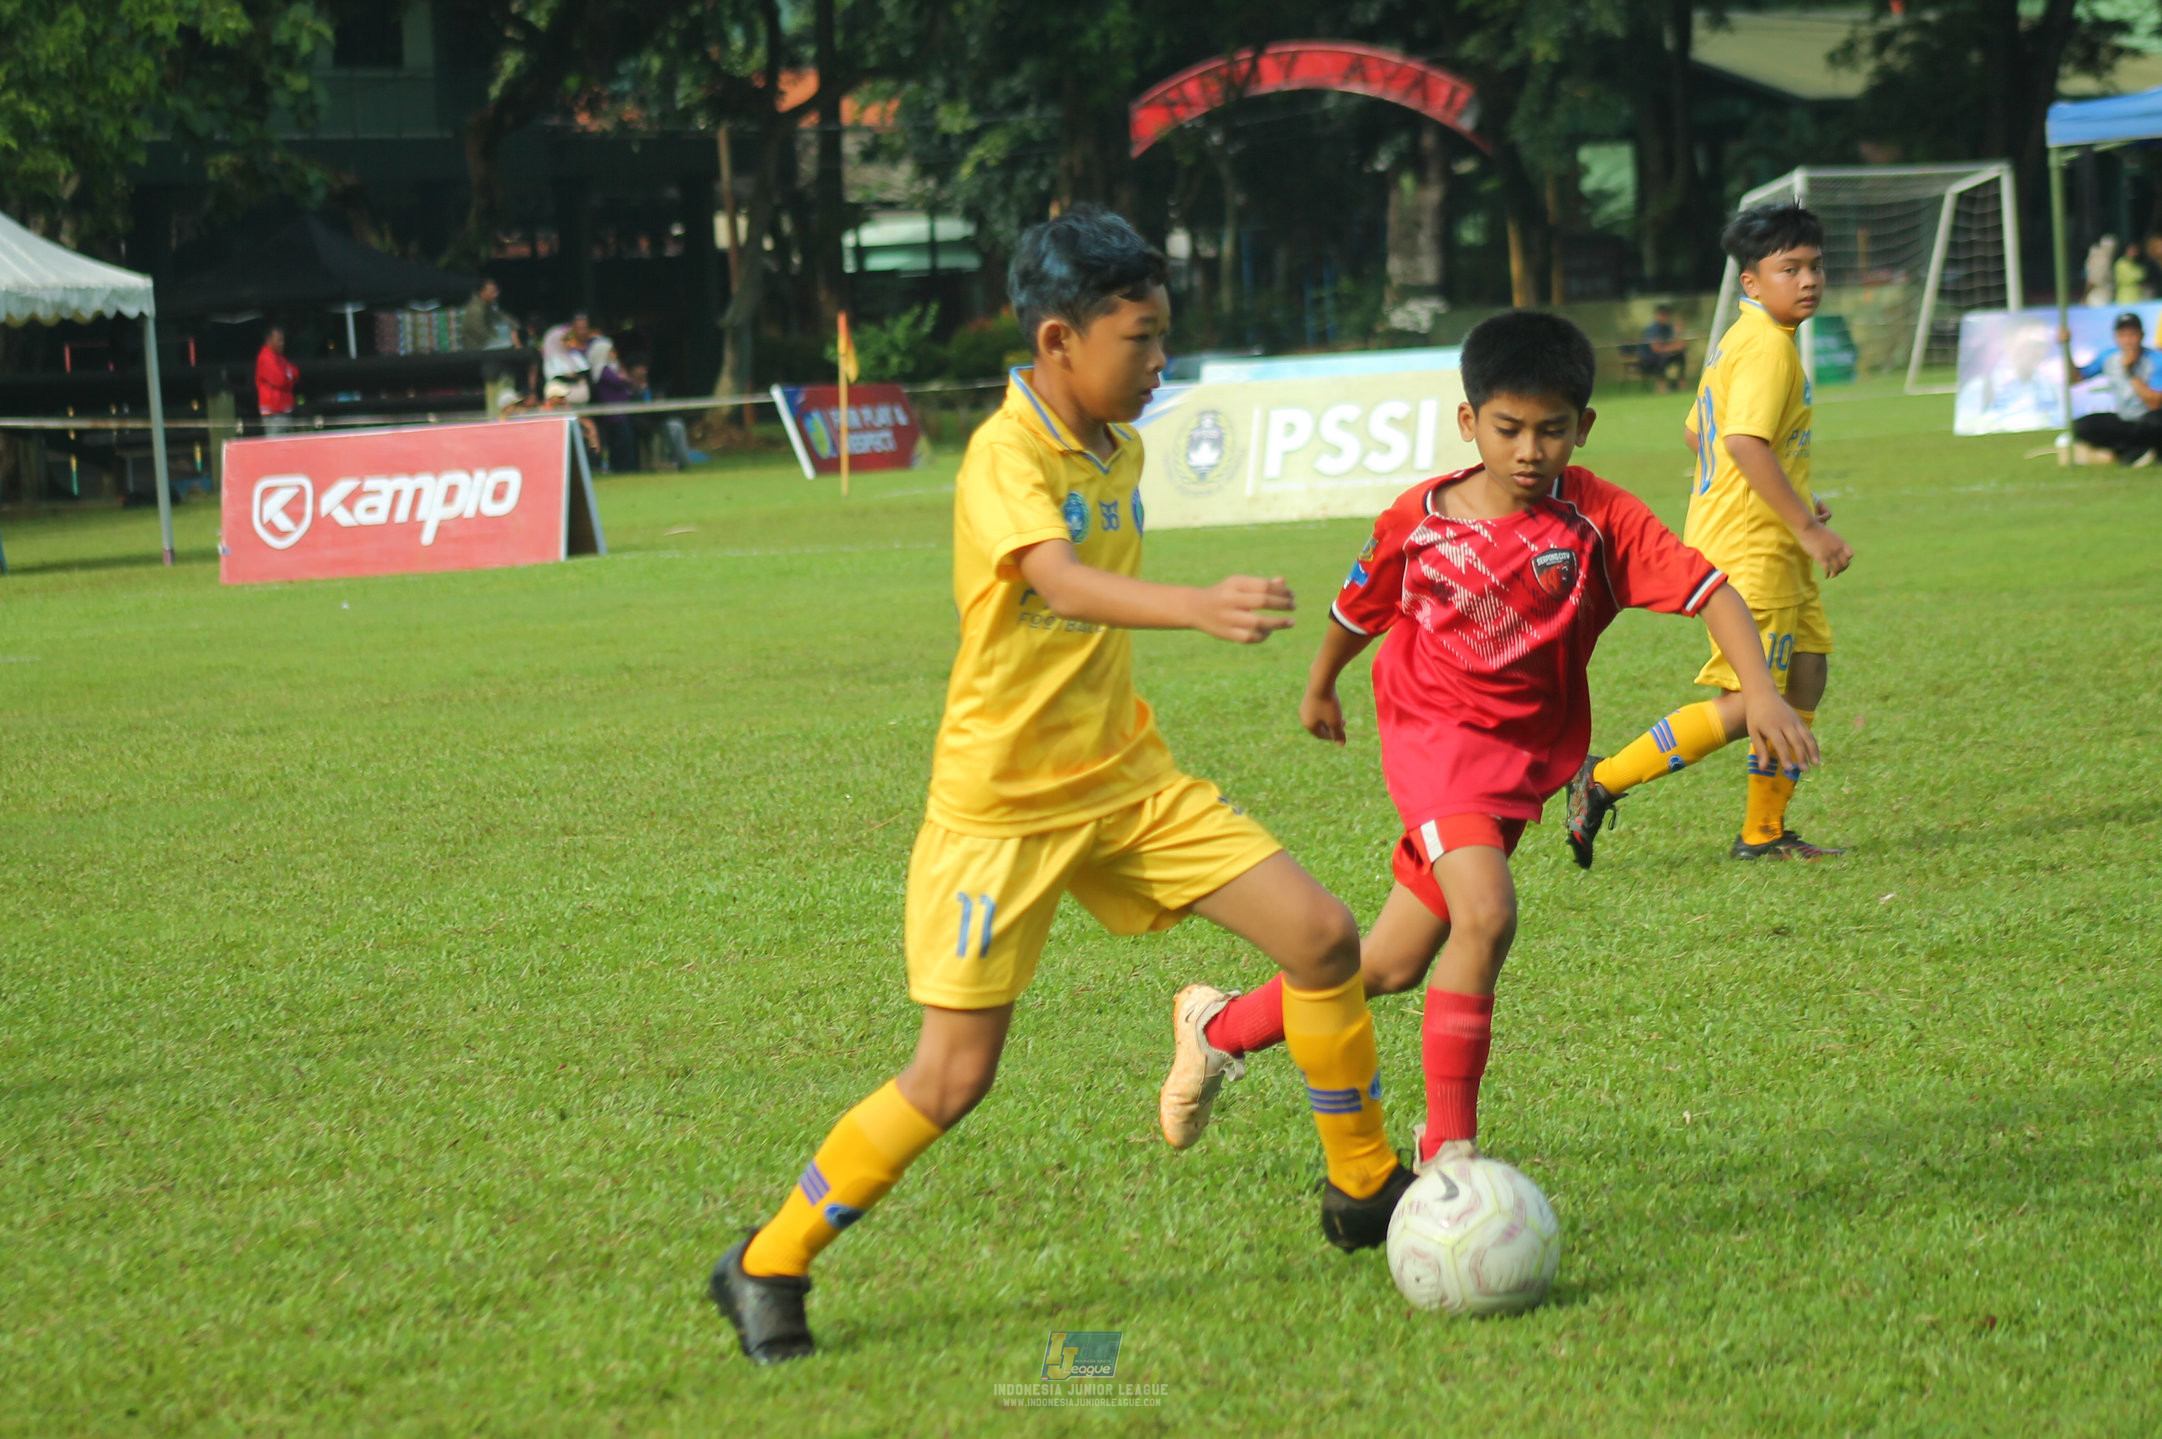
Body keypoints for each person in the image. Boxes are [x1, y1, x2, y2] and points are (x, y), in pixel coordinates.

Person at [711, 206, 1412, 1365]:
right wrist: (1196, 603)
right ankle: (766, 1259)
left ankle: (1362, 1188)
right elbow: (1059, 580)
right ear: (1056, 341)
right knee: (952, 1076)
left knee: (1324, 938)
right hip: (1003, 809)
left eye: (1161, 335)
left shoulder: (1115, 443)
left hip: (1126, 777)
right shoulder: (1004, 453)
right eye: (1139, 338)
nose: (1159, 360)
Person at [1156, 311, 1814, 1172]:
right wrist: (1321, 683)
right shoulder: (1419, 518)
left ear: (1583, 427)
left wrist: (1759, 689)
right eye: (1509, 429)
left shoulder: (1600, 519)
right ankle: (1449, 1148)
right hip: (1432, 740)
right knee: (1489, 912)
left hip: (1517, 767)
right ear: (1470, 424)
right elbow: (1358, 608)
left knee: (1390, 964)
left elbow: (1712, 590)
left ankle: (1221, 1026)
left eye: (1552, 430)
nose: (1531, 450)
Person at [1567, 203, 1852, 867]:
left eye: (1814, 266)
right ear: (1752, 280)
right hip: (1754, 546)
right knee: (1746, 700)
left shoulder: (1741, 337)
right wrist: (1806, 525)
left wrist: (1796, 497)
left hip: (1755, 535)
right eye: (1790, 268)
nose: (1808, 279)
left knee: (1806, 672)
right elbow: (1743, 440)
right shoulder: (1769, 350)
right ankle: (1602, 779)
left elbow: (1699, 432)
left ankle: (1764, 832)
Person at [2067, 311, 2162, 466]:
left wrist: (2130, 373)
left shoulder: (2155, 360)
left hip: (2148, 418)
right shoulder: (2108, 357)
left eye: (2132, 334)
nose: (2128, 341)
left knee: (2156, 422)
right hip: (2125, 418)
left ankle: (2140, 450)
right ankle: (2133, 451)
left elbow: (2154, 403)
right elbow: (2076, 378)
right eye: (2123, 335)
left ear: (2141, 336)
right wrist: (2067, 347)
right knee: (2083, 426)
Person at [1631, 303, 1690, 391]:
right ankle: (1661, 386)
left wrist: (1677, 333)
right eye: (1663, 314)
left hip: (1664, 355)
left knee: (1680, 356)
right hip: (1647, 359)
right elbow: (1656, 349)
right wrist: (1674, 347)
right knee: (1661, 357)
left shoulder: (1668, 328)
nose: (1666, 317)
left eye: (1667, 314)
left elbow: (1678, 344)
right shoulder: (1652, 329)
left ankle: (1681, 384)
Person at [255, 326, 299, 435]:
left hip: (284, 410)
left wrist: (287, 377)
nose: (282, 343)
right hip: (273, 413)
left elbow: (296, 373)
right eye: (279, 340)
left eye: (283, 340)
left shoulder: (279, 358)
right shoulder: (265, 358)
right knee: (275, 447)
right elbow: (279, 380)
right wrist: (288, 376)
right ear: (269, 340)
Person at [461, 278, 518, 350]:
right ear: (482, 292)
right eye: (492, 292)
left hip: (486, 349)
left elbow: (501, 318)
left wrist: (515, 327)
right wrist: (504, 343)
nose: (496, 295)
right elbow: (482, 335)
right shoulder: (475, 310)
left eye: (496, 291)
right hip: (477, 352)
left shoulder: (486, 307)